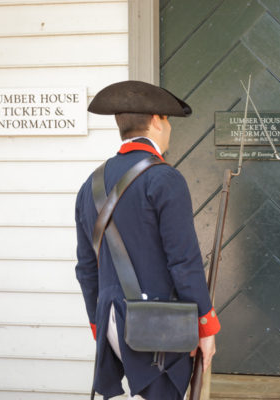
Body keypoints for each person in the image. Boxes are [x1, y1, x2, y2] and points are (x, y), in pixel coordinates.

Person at [75, 80, 220, 400]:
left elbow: (86, 268)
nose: (169, 128)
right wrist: (206, 324)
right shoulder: (164, 177)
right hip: (156, 323)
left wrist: (97, 323)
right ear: (157, 120)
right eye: (168, 120)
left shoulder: (91, 184)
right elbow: (183, 261)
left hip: (110, 320)